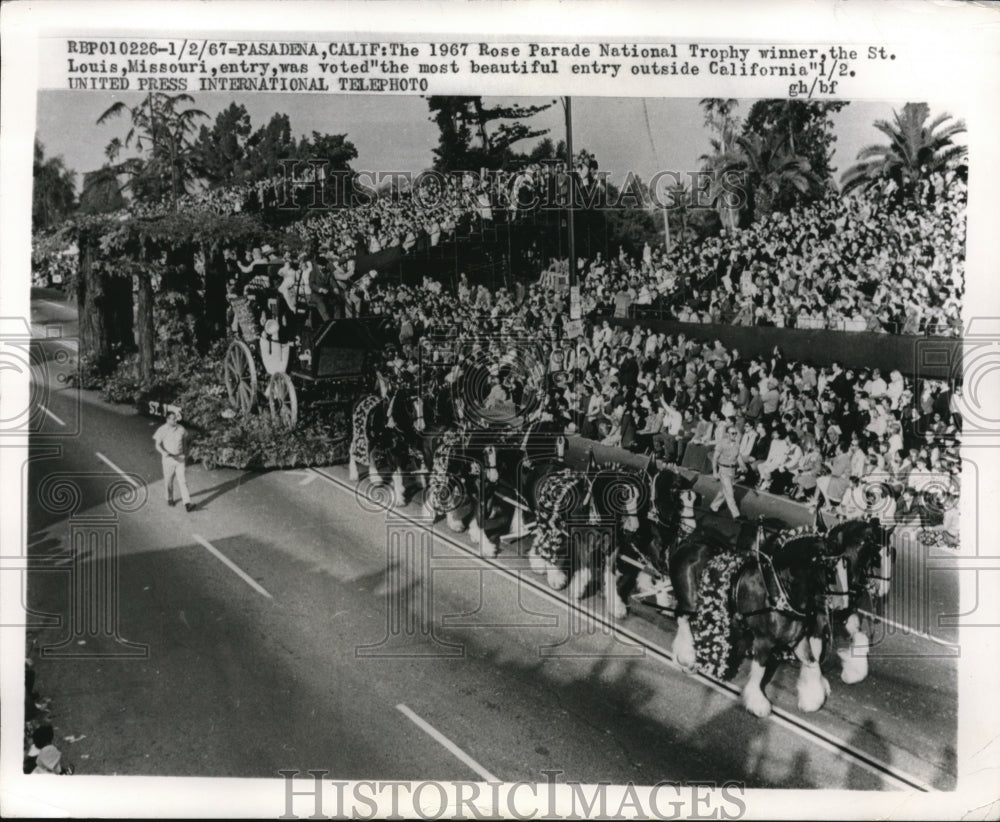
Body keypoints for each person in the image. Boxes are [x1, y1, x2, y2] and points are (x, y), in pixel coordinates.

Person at [153, 411, 194, 512]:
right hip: (168, 460)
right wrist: (163, 452)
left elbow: (186, 439)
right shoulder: (162, 430)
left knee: (183, 481)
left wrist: (186, 453)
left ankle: (187, 503)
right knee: (169, 481)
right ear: (167, 419)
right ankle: (169, 498)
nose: (176, 420)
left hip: (180, 458)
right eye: (173, 418)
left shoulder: (181, 428)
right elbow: (157, 445)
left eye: (176, 418)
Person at [709, 424, 744, 519]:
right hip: (723, 470)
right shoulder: (721, 444)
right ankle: (736, 515)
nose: (734, 435)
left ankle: (714, 506)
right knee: (730, 493)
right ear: (727, 434)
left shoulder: (737, 444)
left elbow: (738, 456)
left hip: (732, 471)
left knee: (724, 491)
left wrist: (743, 466)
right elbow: (715, 458)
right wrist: (715, 472)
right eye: (732, 433)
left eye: (735, 433)